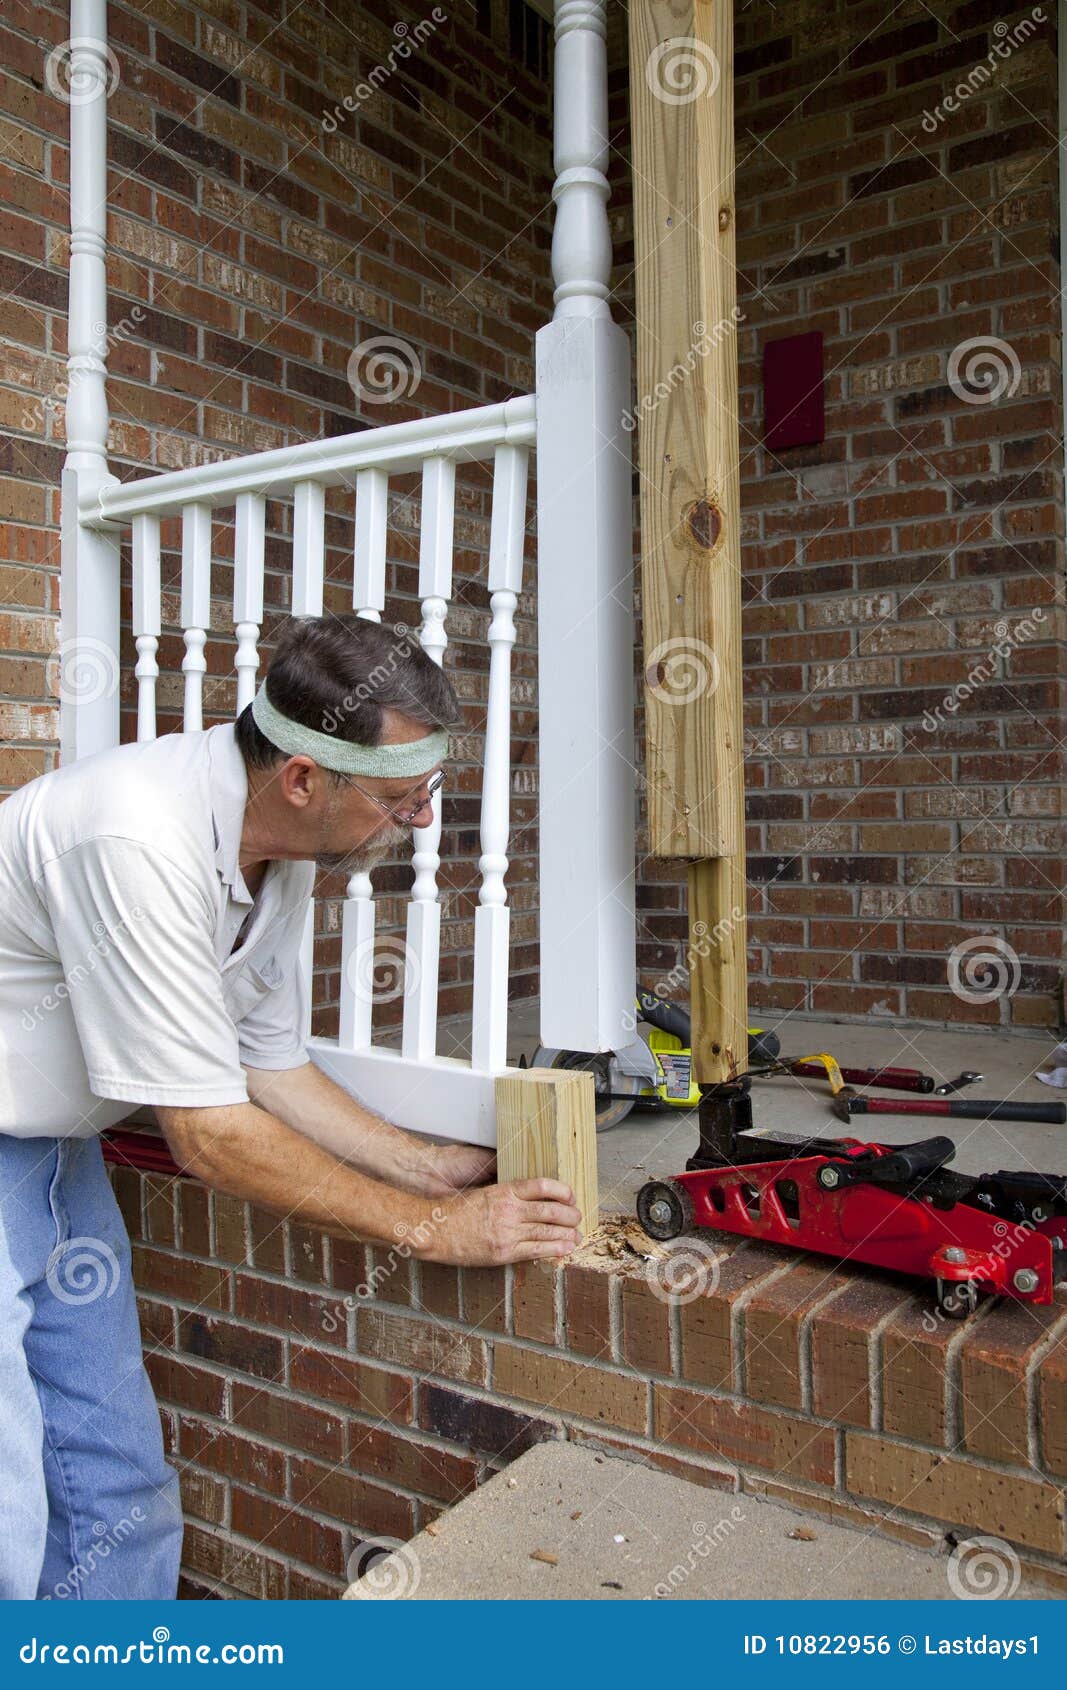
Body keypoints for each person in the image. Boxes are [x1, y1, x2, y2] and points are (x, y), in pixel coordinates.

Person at [0, 613, 580, 1600]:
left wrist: (421, 1164)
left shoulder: (281, 848)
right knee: (12, 1498)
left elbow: (266, 1065)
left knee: (115, 1476)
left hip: (52, 1157)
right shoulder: (135, 836)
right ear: (305, 779)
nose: (423, 821)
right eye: (401, 800)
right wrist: (434, 1229)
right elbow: (211, 1134)